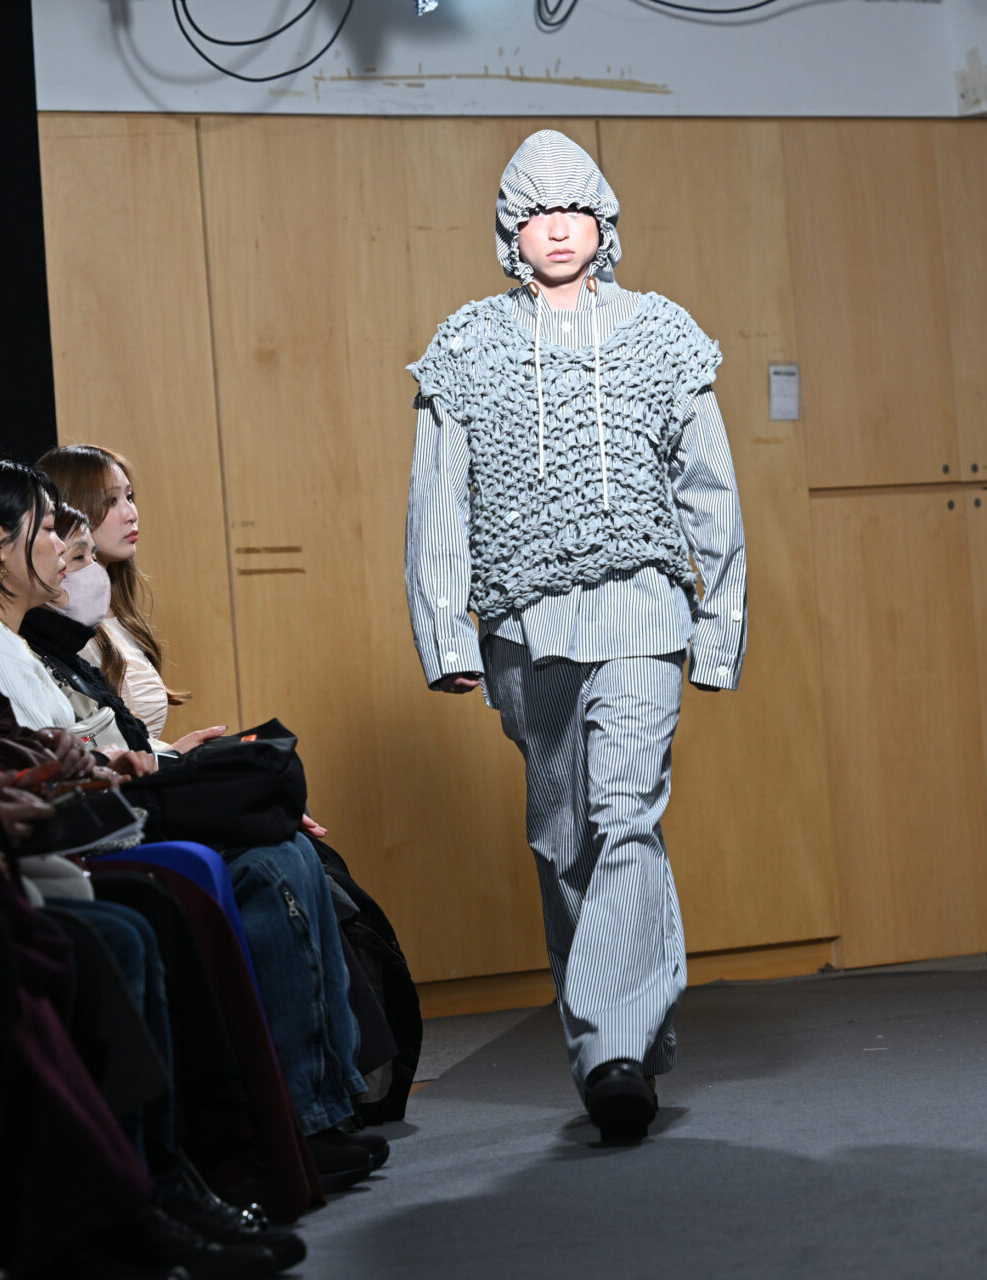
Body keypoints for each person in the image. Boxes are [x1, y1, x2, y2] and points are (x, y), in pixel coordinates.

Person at [405, 129, 747, 1141]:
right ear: (510, 230)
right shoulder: (467, 345)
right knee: (564, 838)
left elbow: (712, 490)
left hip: (643, 607)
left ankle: (612, 1052)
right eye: (537, 213)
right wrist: (445, 635)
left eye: (576, 210)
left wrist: (720, 626)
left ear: (605, 223)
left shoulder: (663, 334)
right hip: (527, 625)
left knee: (626, 813)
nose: (558, 229)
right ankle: (620, 1034)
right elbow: (438, 500)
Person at [36, 443, 181, 741]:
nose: (131, 514)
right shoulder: (63, 627)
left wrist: (175, 752)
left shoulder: (115, 610)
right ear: (70, 509)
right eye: (112, 501)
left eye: (129, 497)